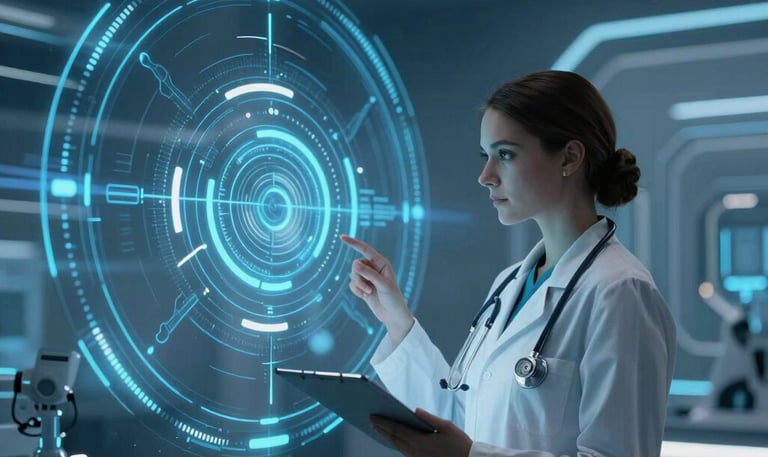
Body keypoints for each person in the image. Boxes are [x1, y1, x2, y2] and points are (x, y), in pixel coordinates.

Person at [341, 70, 677, 457]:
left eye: (505, 154)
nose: (485, 176)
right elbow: (464, 419)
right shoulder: (509, 285)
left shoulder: (620, 292)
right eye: (486, 156)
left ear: (569, 157)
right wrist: (396, 320)